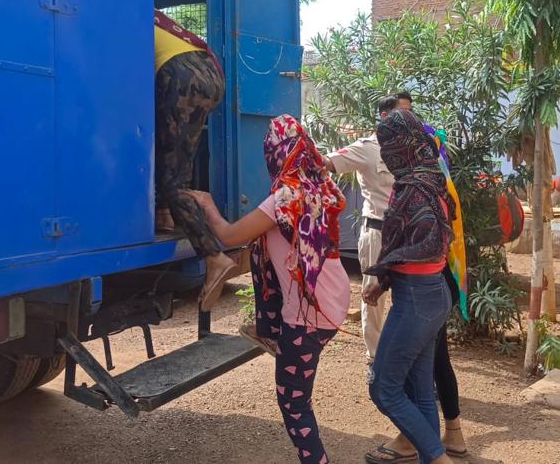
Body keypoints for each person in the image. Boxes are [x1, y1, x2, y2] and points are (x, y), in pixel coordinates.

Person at [192, 114, 351, 464]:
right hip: (334, 298)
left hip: (310, 313)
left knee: (294, 401)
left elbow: (230, 236)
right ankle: (276, 337)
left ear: (276, 154)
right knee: (296, 372)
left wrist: (206, 203)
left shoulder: (284, 198)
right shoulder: (320, 187)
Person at [364, 109, 457, 464]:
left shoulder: (413, 189)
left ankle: (439, 459)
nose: (386, 154)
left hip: (418, 300)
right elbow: (415, 244)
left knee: (384, 388)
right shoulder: (432, 177)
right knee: (420, 393)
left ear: (404, 144)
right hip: (430, 294)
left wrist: (385, 268)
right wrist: (386, 279)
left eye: (389, 145)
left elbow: (426, 242)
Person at [153, 10, 238, 311]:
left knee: (173, 179)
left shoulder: (121, 12)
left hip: (181, 76)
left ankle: (214, 256)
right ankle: (165, 213)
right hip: (210, 73)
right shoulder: (154, 16)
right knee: (171, 153)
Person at [326, 95, 402, 363]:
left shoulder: (408, 149)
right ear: (385, 116)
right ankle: (375, 359)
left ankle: (399, 355)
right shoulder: (367, 148)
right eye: (402, 113)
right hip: (378, 232)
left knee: (406, 296)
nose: (409, 119)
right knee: (374, 297)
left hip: (406, 235)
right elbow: (328, 162)